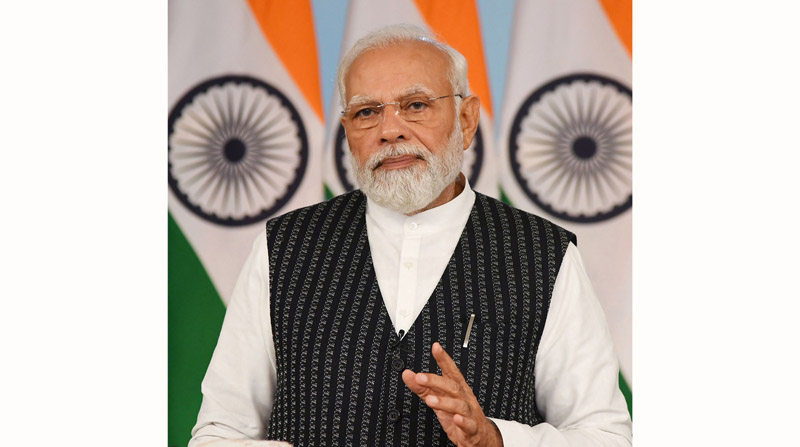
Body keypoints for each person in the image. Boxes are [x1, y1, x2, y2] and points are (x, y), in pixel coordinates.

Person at [190, 24, 632, 447]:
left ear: (467, 120)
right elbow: (219, 431)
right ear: (347, 133)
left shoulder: (543, 255)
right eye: (367, 112)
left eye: (416, 105)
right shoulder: (285, 247)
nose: (390, 130)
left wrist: (496, 440)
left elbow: (604, 436)